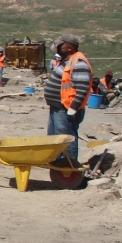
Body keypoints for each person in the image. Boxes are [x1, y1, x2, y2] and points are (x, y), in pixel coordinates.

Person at [44, 33, 92, 165]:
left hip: (66, 109)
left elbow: (82, 88)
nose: (58, 47)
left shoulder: (79, 63)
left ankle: (69, 167)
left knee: (66, 139)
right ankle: (58, 165)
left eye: (61, 45)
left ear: (70, 47)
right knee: (55, 139)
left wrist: (73, 108)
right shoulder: (67, 60)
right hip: (57, 107)